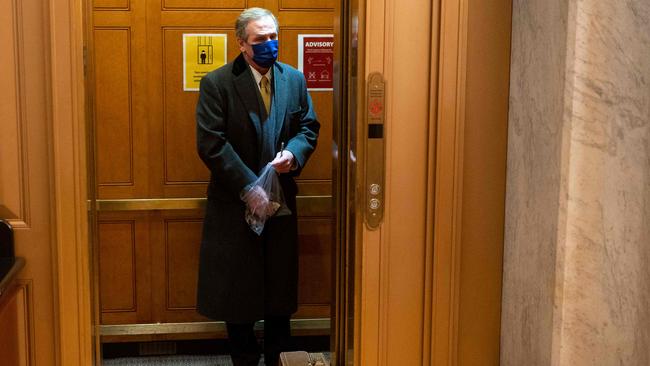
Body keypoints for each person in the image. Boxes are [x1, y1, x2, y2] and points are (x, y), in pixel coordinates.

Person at [195, 7, 320, 366]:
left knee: (279, 297)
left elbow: (308, 127)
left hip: (281, 204)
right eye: (260, 39)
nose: (269, 44)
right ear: (242, 43)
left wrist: (294, 155)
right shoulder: (218, 83)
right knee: (239, 299)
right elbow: (211, 143)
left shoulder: (294, 80)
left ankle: (279, 360)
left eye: (273, 37)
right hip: (235, 206)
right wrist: (251, 189)